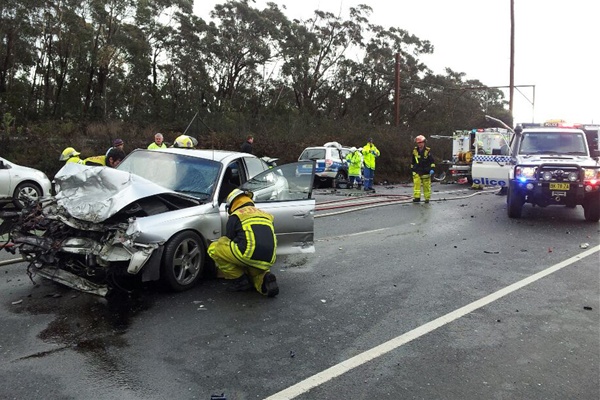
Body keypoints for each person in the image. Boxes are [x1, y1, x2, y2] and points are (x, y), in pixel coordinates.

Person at [207, 189, 279, 297]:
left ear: (232, 204)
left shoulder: (236, 216)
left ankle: (240, 280)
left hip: (247, 253)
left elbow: (229, 239)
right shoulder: (267, 215)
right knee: (254, 273)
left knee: (215, 248)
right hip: (269, 258)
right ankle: (264, 281)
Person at [411, 135, 435, 203]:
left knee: (426, 186)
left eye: (420, 143)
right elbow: (413, 161)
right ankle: (417, 198)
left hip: (425, 171)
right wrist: (412, 170)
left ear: (424, 142)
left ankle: (427, 198)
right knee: (416, 185)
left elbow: (432, 161)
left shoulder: (427, 151)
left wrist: (432, 169)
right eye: (418, 143)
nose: (419, 144)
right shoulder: (415, 151)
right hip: (417, 170)